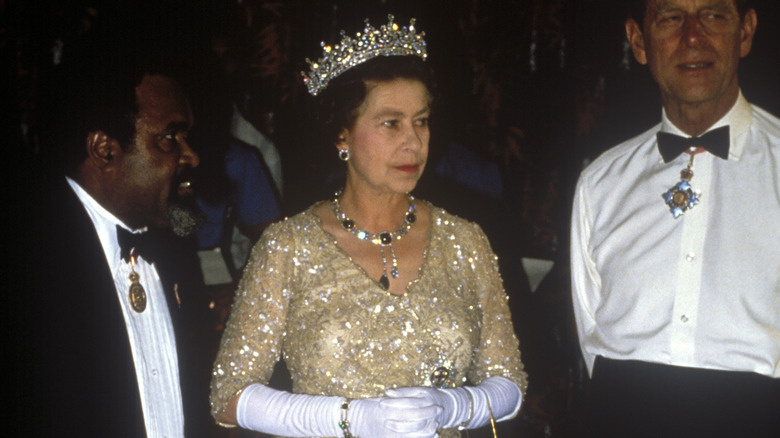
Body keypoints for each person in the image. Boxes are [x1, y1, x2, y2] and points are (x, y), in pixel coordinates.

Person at [210, 16, 527, 438]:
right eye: (390, 123)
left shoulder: (465, 239)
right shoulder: (288, 246)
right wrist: (351, 418)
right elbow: (228, 396)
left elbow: (511, 383)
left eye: (422, 120)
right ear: (342, 135)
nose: (413, 142)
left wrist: (453, 406)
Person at [570, 0, 779, 436]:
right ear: (638, 41)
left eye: (713, 15)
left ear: (745, 31)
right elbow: (591, 336)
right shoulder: (600, 184)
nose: (692, 36)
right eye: (670, 18)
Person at [25, 55, 217, 436]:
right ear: (105, 150)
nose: (190, 155)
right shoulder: (31, 263)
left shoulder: (173, 245)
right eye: (168, 138)